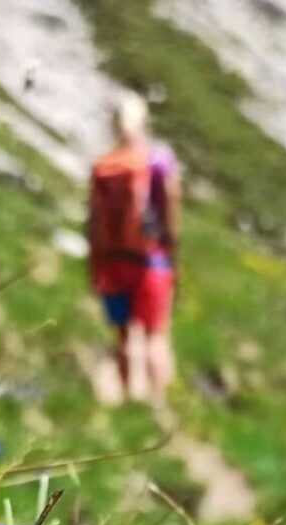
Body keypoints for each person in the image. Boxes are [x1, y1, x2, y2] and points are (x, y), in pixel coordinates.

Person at [88, 91, 181, 403]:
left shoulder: (104, 165)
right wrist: (171, 251)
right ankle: (157, 406)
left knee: (126, 336)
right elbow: (170, 211)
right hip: (150, 260)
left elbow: (93, 221)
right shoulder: (158, 161)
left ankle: (129, 398)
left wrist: (95, 265)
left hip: (111, 263)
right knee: (156, 335)